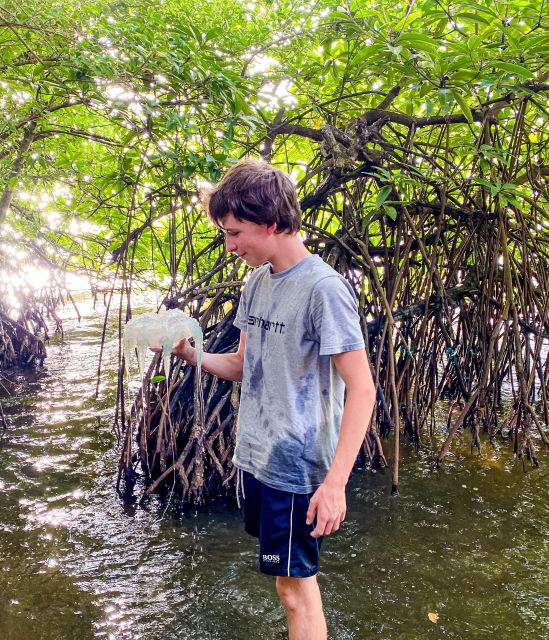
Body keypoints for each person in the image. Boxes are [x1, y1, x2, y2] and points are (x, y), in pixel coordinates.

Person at [164, 159, 375, 639]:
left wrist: (335, 484)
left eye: (236, 232)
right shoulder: (257, 281)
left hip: (297, 468)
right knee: (295, 580)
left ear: (274, 223)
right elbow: (242, 366)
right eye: (225, 233)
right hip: (258, 457)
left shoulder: (324, 290)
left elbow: (362, 389)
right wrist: (188, 353)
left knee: (292, 587)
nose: (230, 245)